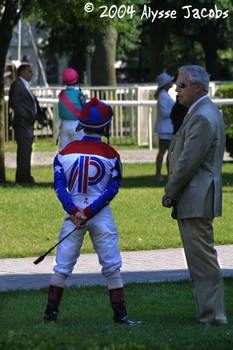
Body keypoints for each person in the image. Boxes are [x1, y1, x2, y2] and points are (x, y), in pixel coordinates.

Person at [43, 97, 141, 326]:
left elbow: (59, 187)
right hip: (100, 214)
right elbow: (112, 189)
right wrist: (89, 211)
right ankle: (121, 317)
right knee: (111, 266)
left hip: (73, 214)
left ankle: (50, 315)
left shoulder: (65, 152)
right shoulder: (111, 154)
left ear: (81, 123)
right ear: (105, 126)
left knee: (62, 266)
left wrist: (75, 211)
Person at [162, 65, 227, 325]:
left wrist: (170, 192)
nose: (177, 90)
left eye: (182, 85)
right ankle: (208, 313)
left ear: (199, 87)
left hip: (196, 196)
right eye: (177, 85)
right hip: (195, 196)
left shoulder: (202, 115)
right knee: (199, 259)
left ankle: (213, 315)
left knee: (202, 260)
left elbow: (188, 162)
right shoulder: (200, 111)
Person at [9, 63, 45, 184]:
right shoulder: (17, 85)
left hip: (28, 124)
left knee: (27, 151)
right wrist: (27, 115)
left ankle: (25, 175)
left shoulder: (25, 85)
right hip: (22, 123)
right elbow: (15, 103)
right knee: (24, 152)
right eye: (29, 71)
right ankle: (22, 177)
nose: (31, 73)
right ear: (22, 72)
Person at [153, 73, 175, 181]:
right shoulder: (162, 95)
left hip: (168, 128)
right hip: (165, 129)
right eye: (170, 82)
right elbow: (164, 113)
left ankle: (169, 174)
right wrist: (176, 110)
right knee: (163, 151)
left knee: (169, 152)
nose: (172, 83)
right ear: (166, 84)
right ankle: (158, 174)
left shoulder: (164, 94)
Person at [58, 68, 86, 151]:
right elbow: (85, 108)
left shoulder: (61, 94)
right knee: (80, 149)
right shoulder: (79, 94)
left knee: (63, 150)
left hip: (64, 124)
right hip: (77, 124)